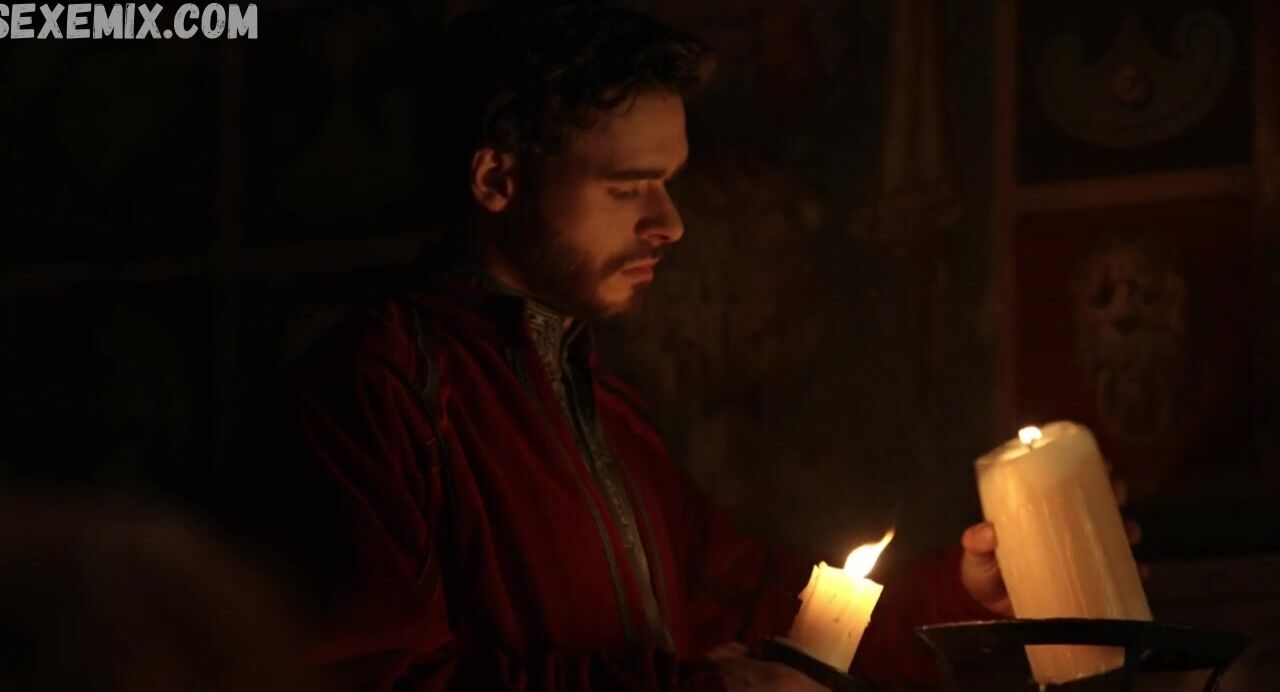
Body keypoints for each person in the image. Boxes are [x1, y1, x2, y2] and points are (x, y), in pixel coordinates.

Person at [220, 3, 1115, 690]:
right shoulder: (370, 400)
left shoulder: (601, 402)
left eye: (671, 182)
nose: (670, 224)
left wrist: (963, 595)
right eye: (629, 187)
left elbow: (759, 609)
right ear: (497, 178)